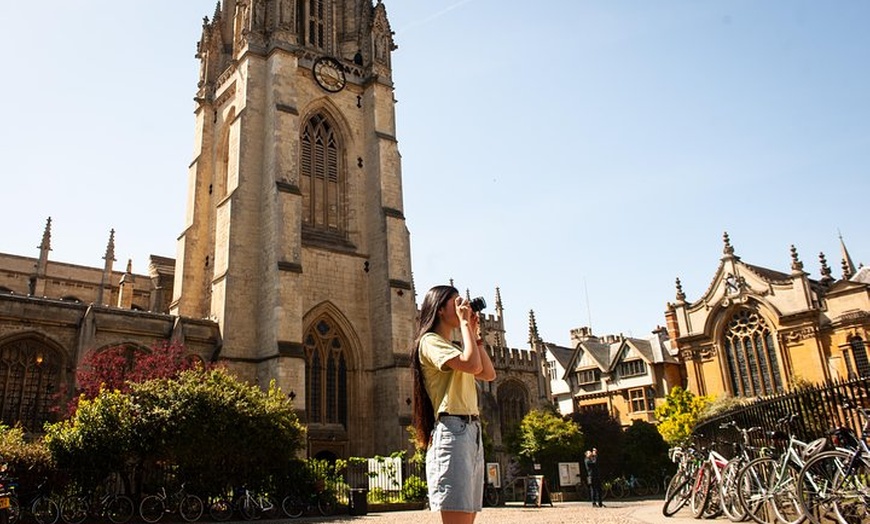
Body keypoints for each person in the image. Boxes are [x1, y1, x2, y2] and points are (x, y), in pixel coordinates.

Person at [410, 285, 497, 524]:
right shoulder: (429, 341)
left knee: (467, 519)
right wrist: (466, 324)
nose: (463, 307)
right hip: (453, 430)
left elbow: (488, 373)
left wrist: (476, 333)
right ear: (439, 309)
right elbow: (472, 365)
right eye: (456, 303)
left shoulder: (454, 349)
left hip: (471, 432)